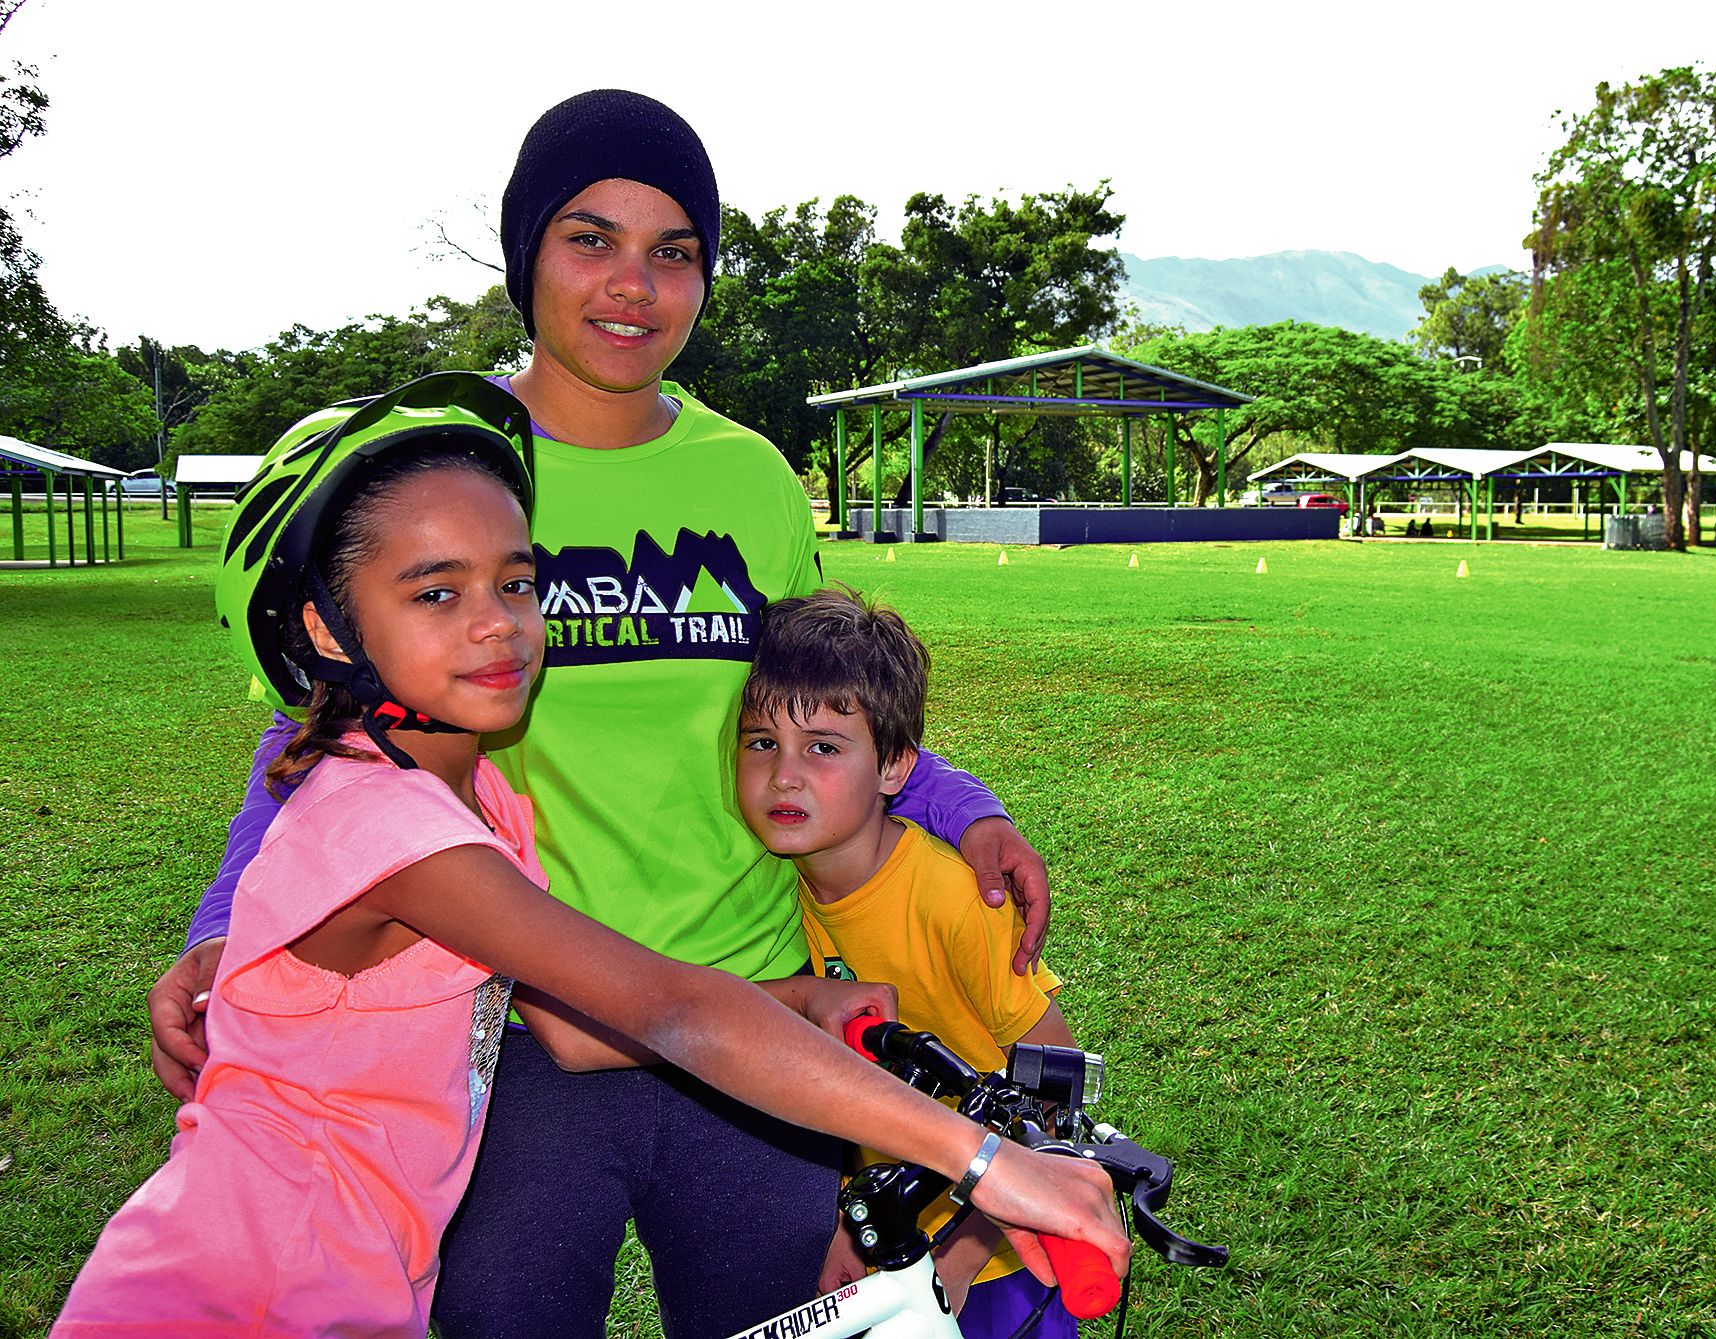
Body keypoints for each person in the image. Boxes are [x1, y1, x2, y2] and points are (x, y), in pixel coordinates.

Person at [144, 90, 1059, 1338]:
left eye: (672, 252)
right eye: (590, 239)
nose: (633, 285)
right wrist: (220, 933)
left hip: (759, 1007)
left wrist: (967, 810)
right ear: (527, 255)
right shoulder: (444, 475)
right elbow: (320, 742)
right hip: (520, 1030)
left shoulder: (747, 479)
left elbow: (819, 704)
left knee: (783, 1319)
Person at [58, 381, 1125, 1337]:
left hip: (348, 1281)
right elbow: (664, 1005)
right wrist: (981, 1157)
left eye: (516, 583)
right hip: (239, 1291)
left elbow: (574, 1031)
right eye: (437, 593)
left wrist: (797, 997)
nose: (498, 627)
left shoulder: (480, 802)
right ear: (327, 630)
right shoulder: (387, 827)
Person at [737, 589, 1078, 1339]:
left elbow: (1053, 1081)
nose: (783, 775)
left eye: (823, 746)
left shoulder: (955, 897)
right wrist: (851, 1221)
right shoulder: (766, 902)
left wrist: (963, 1248)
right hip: (889, 1251)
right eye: (761, 741)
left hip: (1002, 1258)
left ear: (894, 765)